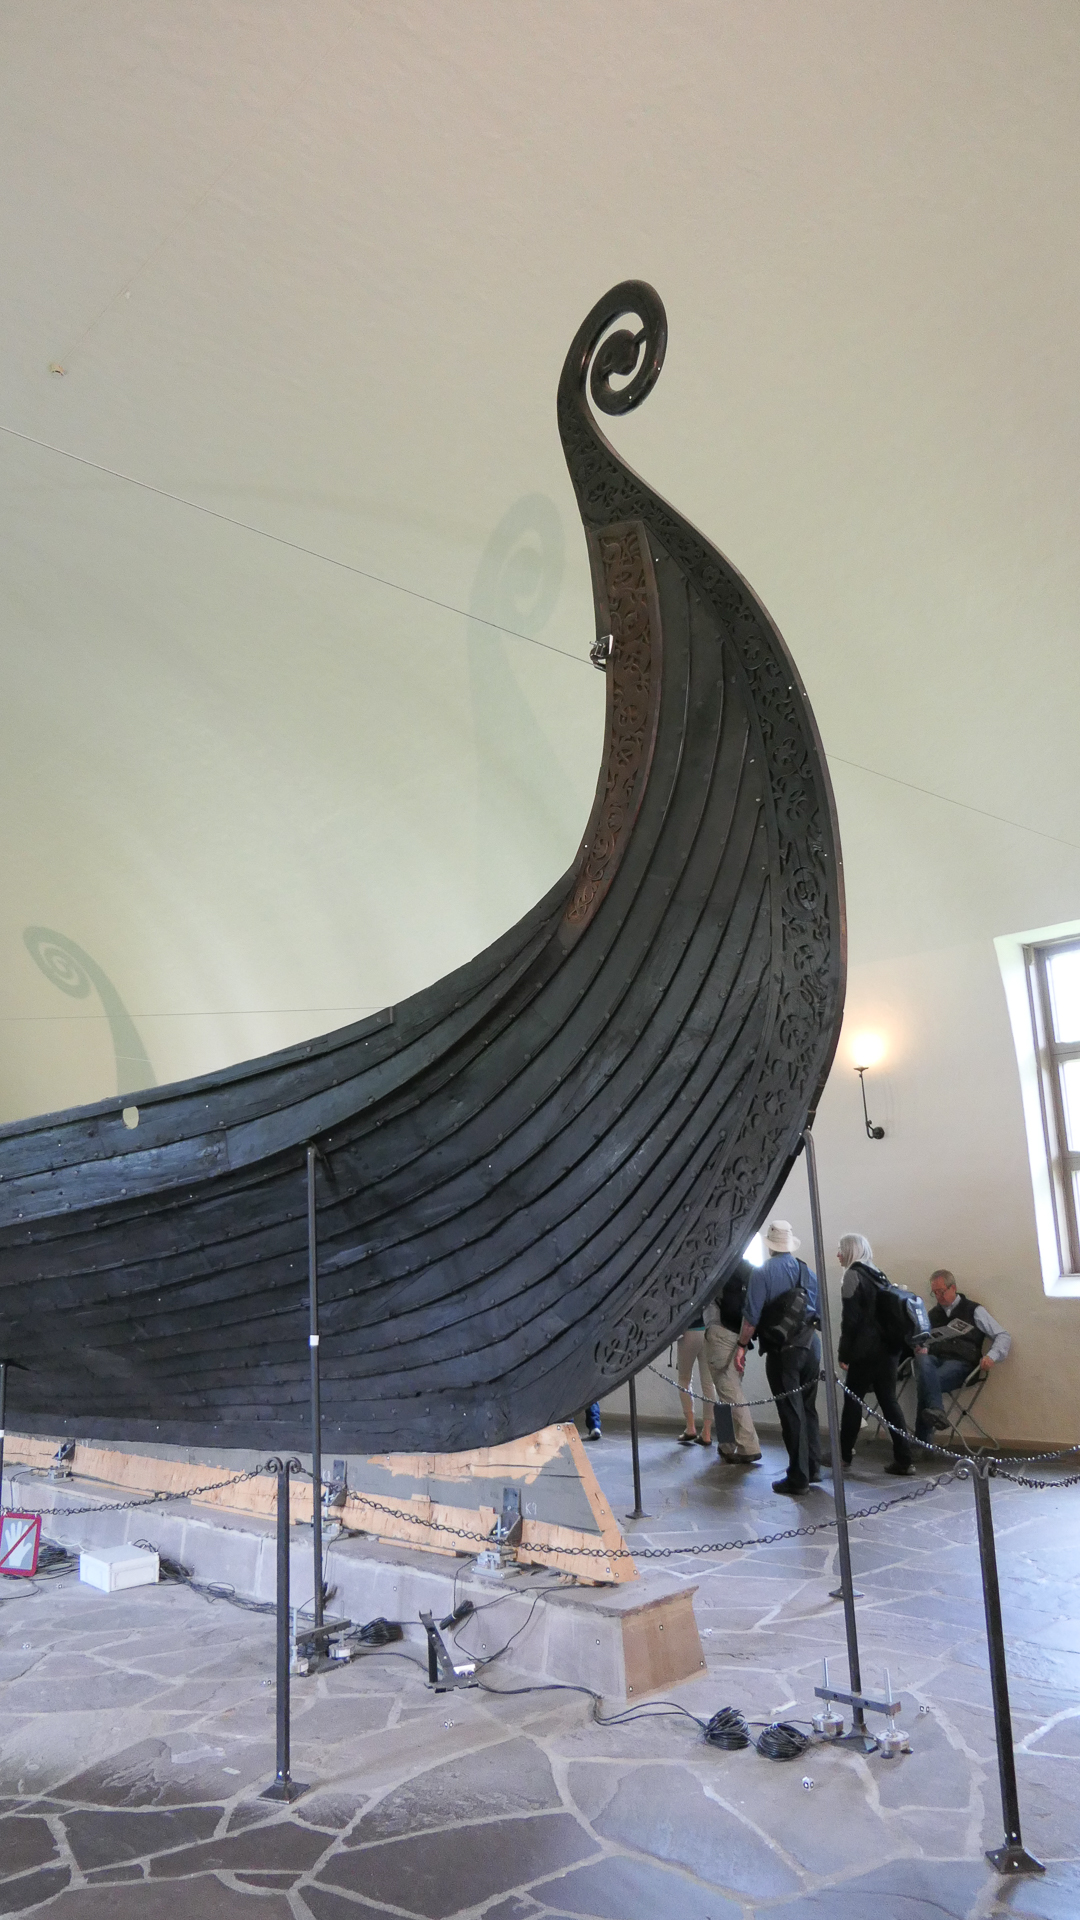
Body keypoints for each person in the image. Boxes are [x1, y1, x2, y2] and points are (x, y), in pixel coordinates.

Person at [735, 1220, 822, 1496]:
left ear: (770, 1245)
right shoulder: (807, 1272)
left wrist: (741, 1346)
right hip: (811, 1346)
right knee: (808, 1408)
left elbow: (751, 1318)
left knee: (791, 1413)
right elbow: (819, 1314)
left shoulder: (762, 1273)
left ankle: (798, 1477)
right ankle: (813, 1468)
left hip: (783, 1352)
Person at [836, 1233, 915, 1476]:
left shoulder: (853, 1275)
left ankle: (843, 1456)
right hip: (888, 1349)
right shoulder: (878, 1274)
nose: (838, 1254)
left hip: (865, 1351)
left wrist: (844, 1353)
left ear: (851, 1251)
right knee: (889, 1402)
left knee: (852, 1401)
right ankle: (904, 1459)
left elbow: (850, 1320)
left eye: (841, 1249)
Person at [912, 1270, 1011, 1443]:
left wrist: (991, 1356)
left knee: (926, 1381)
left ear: (953, 1288)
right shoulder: (933, 1314)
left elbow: (1003, 1335)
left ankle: (922, 1442)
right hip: (935, 1359)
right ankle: (936, 1410)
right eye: (934, 1293)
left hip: (962, 1363)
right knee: (922, 1360)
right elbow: (925, 1342)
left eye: (941, 1291)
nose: (938, 1297)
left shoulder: (973, 1310)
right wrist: (921, 1348)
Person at [703, 1258, 762, 1463]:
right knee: (726, 1390)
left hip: (720, 1332)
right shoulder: (745, 1267)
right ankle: (727, 1444)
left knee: (729, 1390)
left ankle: (748, 1446)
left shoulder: (718, 1264)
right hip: (738, 1333)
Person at [675, 1316, 714, 1446]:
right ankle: (707, 1432)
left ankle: (690, 1427)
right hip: (709, 1330)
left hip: (689, 1330)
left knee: (684, 1379)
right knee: (708, 1384)